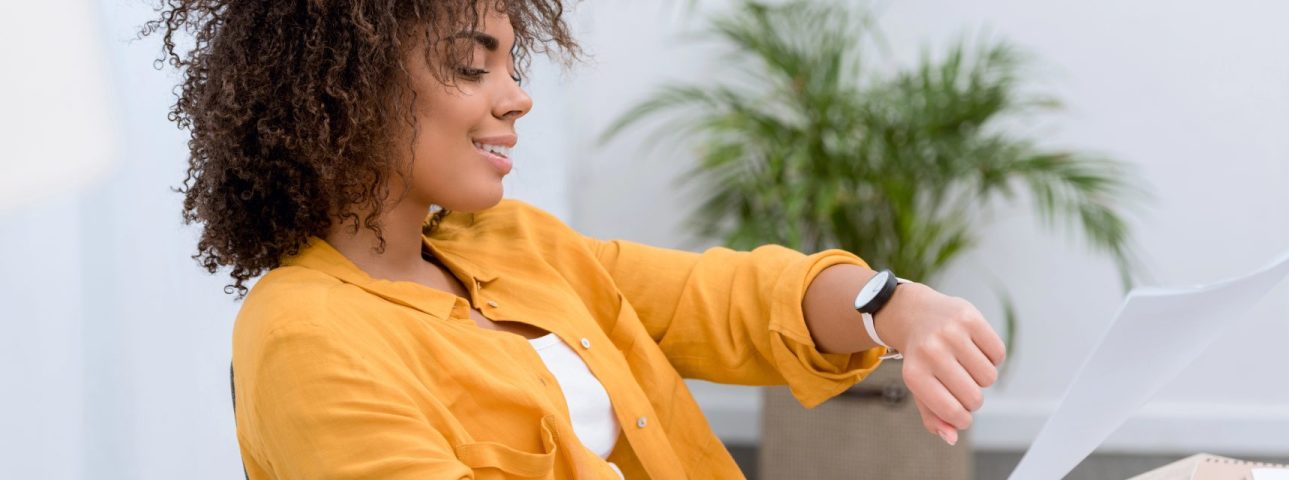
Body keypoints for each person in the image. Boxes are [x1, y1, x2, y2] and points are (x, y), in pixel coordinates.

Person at [142, 0, 1005, 478]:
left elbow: (734, 300)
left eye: (515, 65)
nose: (515, 97)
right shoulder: (304, 333)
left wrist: (897, 306)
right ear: (347, 86)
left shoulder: (514, 242)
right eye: (472, 64)